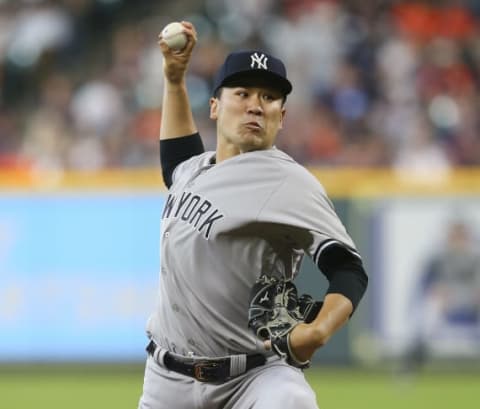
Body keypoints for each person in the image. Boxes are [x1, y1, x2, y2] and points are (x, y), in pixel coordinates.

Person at [138, 21, 368, 409]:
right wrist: (175, 81)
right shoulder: (194, 169)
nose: (255, 105)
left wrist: (319, 330)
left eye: (268, 97)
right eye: (242, 93)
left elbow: (347, 267)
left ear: (282, 115)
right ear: (214, 106)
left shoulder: (288, 181)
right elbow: (174, 162)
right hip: (167, 380)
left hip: (255, 378)